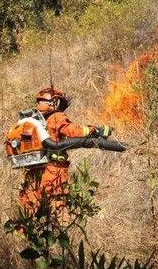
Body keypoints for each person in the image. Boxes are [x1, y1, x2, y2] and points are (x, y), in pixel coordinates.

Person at [15, 86, 111, 215]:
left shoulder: (30, 120)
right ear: (54, 102)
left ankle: (22, 234)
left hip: (33, 170)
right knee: (57, 205)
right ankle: (58, 231)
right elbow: (74, 131)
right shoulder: (56, 116)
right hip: (53, 169)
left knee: (29, 205)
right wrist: (95, 130)